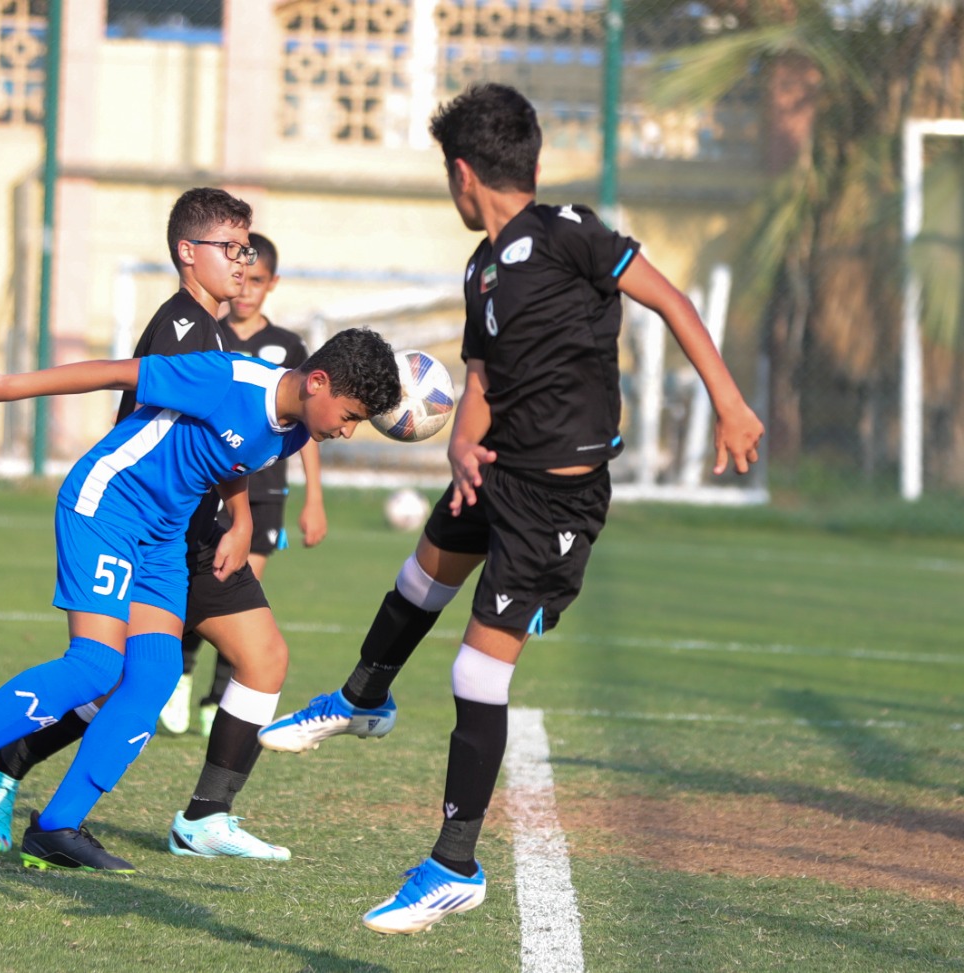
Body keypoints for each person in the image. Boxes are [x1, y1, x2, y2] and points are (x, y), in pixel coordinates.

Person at [257, 83, 765, 934]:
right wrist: (461, 442)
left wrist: (730, 401)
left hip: (556, 496)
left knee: (475, 672)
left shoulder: (573, 233)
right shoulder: (480, 268)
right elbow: (484, 381)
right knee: (419, 576)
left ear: (464, 175)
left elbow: (672, 301)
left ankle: (453, 865)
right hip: (494, 469)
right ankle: (361, 697)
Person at [0, 189, 403, 871]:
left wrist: (241, 517)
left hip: (162, 537)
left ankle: (58, 825)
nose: (347, 429)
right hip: (108, 505)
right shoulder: (226, 376)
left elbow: (234, 461)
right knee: (95, 664)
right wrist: (4, 388)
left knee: (155, 673)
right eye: (350, 413)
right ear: (316, 382)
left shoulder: (291, 427)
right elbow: (114, 372)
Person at [0, 208, 325, 861]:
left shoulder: (218, 337)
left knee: (237, 661)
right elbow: (153, 416)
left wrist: (242, 518)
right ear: (189, 252)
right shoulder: (183, 327)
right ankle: (2, 760)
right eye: (233, 249)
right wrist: (9, 388)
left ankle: (202, 816)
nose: (243, 263)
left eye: (248, 252)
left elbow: (227, 442)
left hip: (192, 525)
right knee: (113, 676)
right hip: (162, 527)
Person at [159, 232, 327, 739]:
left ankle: (218, 698)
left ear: (271, 284)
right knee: (200, 586)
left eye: (258, 280)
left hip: (265, 493)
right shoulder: (211, 335)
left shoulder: (290, 346)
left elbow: (309, 426)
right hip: (215, 487)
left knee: (239, 591)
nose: (248, 289)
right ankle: (180, 677)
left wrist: (314, 498)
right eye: (243, 277)